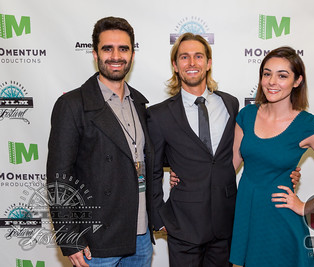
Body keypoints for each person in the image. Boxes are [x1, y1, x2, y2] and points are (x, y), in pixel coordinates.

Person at [147, 33, 300, 267]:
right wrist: (159, 217)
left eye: (198, 56)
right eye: (184, 57)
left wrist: (284, 170)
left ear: (208, 63)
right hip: (183, 224)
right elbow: (154, 169)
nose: (192, 63)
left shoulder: (231, 104)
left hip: (227, 223)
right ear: (175, 66)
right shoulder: (158, 115)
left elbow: (249, 150)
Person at [229, 46, 314, 267]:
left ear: (297, 81)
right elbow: (228, 167)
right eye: (267, 73)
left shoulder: (305, 125)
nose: (272, 81)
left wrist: (305, 206)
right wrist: (186, 176)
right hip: (247, 212)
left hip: (280, 218)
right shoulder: (246, 115)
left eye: (282, 75)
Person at [46, 17, 154, 267]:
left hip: (141, 237)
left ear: (132, 55)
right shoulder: (72, 105)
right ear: (95, 54)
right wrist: (69, 237)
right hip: (96, 241)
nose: (116, 56)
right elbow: (59, 178)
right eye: (108, 48)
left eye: (123, 48)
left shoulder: (139, 103)